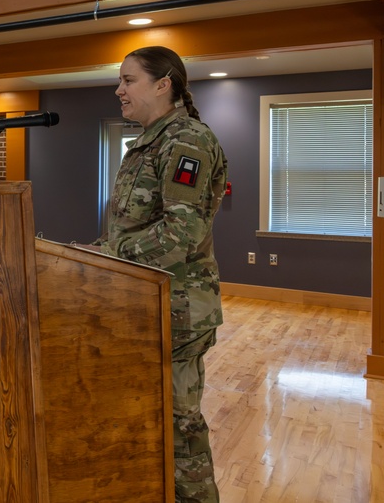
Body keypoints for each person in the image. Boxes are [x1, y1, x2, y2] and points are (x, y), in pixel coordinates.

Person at [92, 46, 227, 503]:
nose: (119, 90)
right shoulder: (148, 142)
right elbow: (133, 228)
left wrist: (105, 254)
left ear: (163, 84)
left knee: (179, 433)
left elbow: (179, 235)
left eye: (128, 80)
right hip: (144, 304)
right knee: (145, 422)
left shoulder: (186, 141)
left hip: (179, 310)